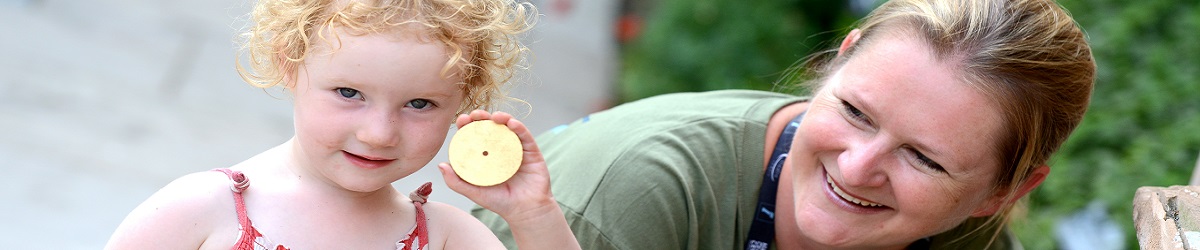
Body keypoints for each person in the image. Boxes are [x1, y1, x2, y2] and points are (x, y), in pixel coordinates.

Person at [473, 0, 1094, 249]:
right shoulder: (626, 201)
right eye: (854, 112)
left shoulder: (965, 236)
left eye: (924, 159)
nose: (856, 169)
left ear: (1002, 194)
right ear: (836, 62)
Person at [105, 0, 579, 249]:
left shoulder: (446, 237)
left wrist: (534, 217)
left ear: (463, 102)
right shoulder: (201, 210)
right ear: (289, 63)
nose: (379, 133)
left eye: (419, 103)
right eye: (350, 94)